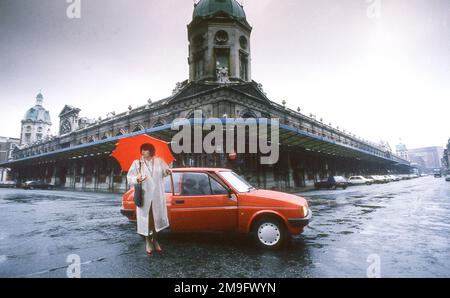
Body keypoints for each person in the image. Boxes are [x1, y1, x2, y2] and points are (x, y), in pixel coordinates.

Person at [127, 143, 171, 255]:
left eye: (145, 150)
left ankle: (155, 240)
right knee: (146, 221)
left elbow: (166, 171)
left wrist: (167, 172)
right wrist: (136, 178)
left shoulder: (159, 161)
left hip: (157, 196)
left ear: (151, 151)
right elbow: (129, 178)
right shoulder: (137, 163)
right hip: (145, 196)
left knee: (156, 221)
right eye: (142, 150)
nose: (142, 152)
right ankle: (148, 241)